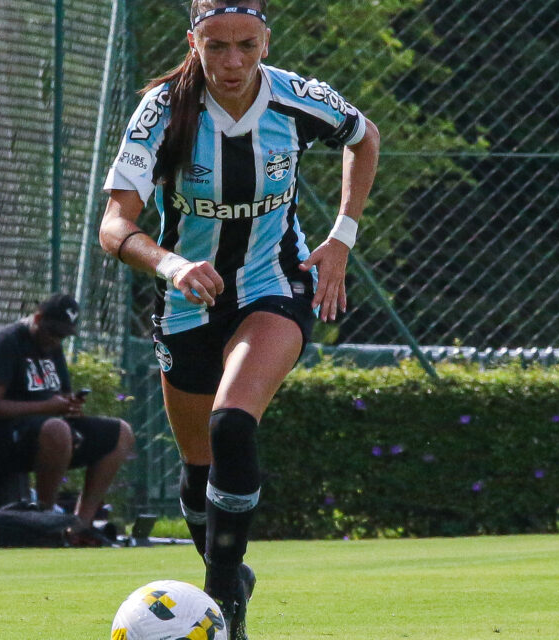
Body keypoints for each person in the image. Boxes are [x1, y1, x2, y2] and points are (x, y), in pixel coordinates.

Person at [97, 1, 379, 636]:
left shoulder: (296, 99)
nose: (233, 62)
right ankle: (227, 578)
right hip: (188, 301)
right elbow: (114, 225)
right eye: (217, 45)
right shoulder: (163, 111)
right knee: (197, 474)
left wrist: (341, 239)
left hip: (273, 286)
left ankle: (223, 600)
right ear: (193, 40)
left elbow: (364, 137)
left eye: (247, 45)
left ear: (266, 41)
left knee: (231, 426)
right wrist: (172, 265)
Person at [0, 293, 135, 546]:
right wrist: (48, 407)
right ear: (37, 318)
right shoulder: (4, 343)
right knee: (57, 430)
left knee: (120, 433)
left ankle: (80, 526)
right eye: (52, 332)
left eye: (63, 335)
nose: (55, 340)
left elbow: (57, 396)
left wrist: (68, 405)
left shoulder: (53, 347)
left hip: (40, 427)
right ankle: (45, 523)